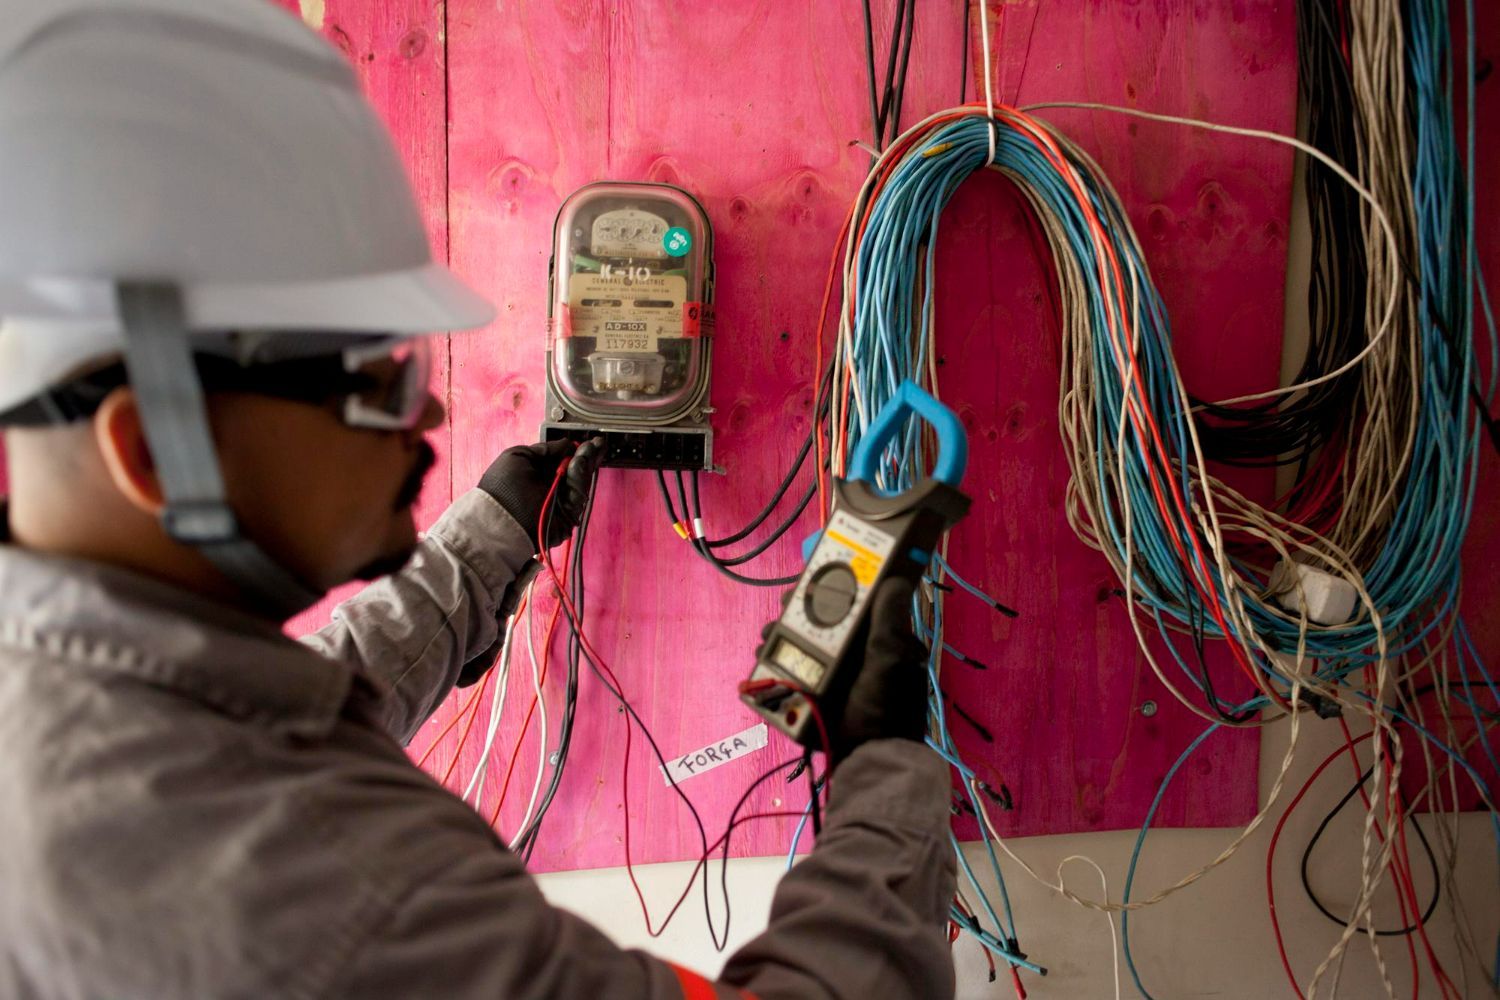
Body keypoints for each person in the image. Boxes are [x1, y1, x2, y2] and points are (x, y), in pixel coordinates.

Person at [0, 1, 957, 997]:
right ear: (156, 444)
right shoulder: (346, 888)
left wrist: (491, 540)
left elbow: (277, 710)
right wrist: (884, 770)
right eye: (377, 377)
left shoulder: (87, 714)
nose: (433, 410)